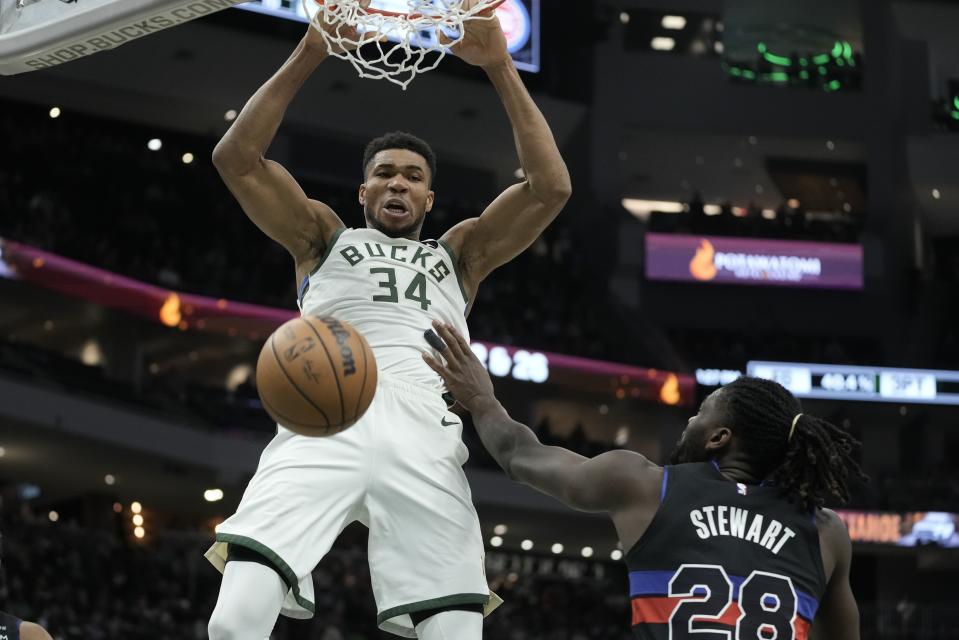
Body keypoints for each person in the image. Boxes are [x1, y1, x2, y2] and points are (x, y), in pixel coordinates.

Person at [204, 4, 571, 639]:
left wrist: (501, 66)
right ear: (363, 192)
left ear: (429, 198)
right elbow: (236, 158)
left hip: (424, 428)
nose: (398, 183)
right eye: (384, 174)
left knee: (456, 634)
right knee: (235, 624)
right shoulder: (322, 236)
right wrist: (314, 47)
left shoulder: (459, 254)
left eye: (413, 177)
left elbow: (550, 189)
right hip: (322, 418)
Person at [422, 322, 865, 640]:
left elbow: (521, 455)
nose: (689, 421)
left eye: (699, 413)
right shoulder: (826, 534)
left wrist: (480, 399)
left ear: (718, 438)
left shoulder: (648, 485)